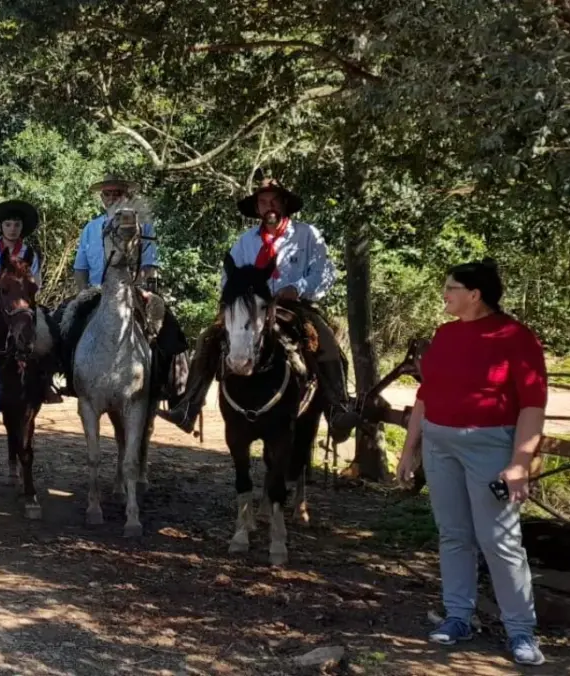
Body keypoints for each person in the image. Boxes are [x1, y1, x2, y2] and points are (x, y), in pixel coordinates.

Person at [396, 259, 546, 667]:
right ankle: (458, 616)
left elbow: (533, 405)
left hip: (490, 446)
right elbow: (425, 396)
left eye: (450, 288)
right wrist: (410, 448)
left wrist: (519, 463)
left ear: (474, 294)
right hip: (439, 444)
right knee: (453, 534)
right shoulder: (445, 334)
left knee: (499, 540)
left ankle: (521, 631)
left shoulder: (516, 337)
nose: (444, 294)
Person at [163, 178, 359, 442]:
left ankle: (337, 408)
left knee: (323, 337)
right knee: (209, 336)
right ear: (256, 207)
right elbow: (227, 277)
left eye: (275, 200)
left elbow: (324, 273)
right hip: (251, 307)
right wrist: (237, 297)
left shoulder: (307, 235)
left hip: (296, 305)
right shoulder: (245, 242)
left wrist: (297, 288)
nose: (270, 206)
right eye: (264, 201)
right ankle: (189, 406)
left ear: (285, 203)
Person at [70, 175, 189, 403]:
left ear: (127, 195)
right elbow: (80, 268)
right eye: (108, 193)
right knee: (65, 327)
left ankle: (172, 390)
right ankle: (69, 379)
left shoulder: (143, 225)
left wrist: (143, 288)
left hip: (132, 291)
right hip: (96, 292)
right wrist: (81, 291)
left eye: (118, 193)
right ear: (102, 198)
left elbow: (150, 264)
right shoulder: (90, 228)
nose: (112, 197)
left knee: (170, 332)